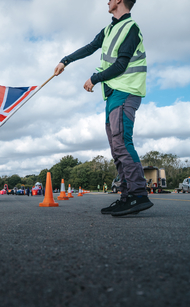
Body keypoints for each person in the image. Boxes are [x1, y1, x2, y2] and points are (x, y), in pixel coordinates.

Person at [54, 0, 152, 216]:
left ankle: (138, 195)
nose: (107, 1)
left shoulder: (131, 28)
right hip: (113, 94)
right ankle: (126, 197)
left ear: (119, 0)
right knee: (116, 147)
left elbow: (121, 65)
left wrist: (94, 78)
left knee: (122, 143)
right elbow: (90, 47)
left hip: (126, 92)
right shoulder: (109, 29)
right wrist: (65, 61)